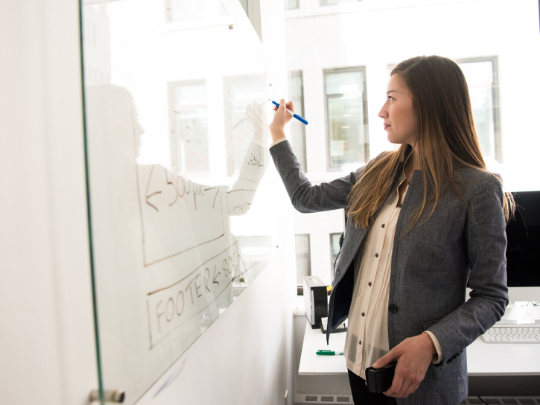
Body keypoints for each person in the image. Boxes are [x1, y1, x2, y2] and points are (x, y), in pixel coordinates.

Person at [268, 55, 513, 405]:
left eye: (392, 98)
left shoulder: (476, 188)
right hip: (360, 367)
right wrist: (278, 134)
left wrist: (431, 343)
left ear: (428, 104)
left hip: (421, 383)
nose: (382, 111)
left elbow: (492, 297)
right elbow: (305, 198)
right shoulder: (379, 170)